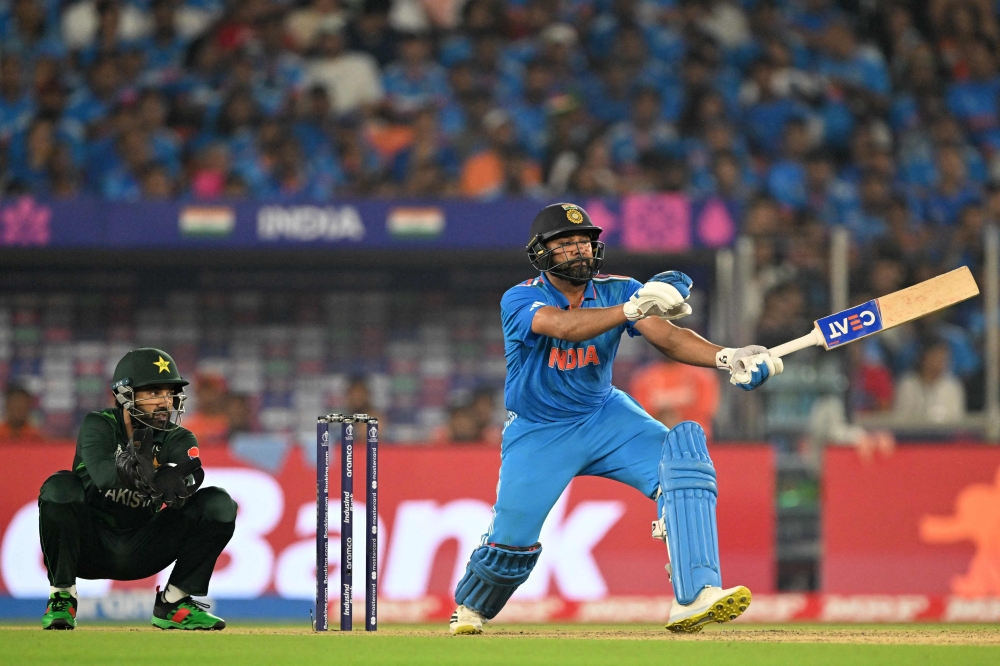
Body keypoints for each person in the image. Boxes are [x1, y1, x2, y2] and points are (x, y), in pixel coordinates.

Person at [449, 203, 783, 635]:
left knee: (682, 461)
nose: (578, 250)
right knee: (511, 541)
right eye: (565, 244)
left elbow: (669, 336)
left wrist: (728, 356)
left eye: (583, 242)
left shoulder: (620, 288)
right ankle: (471, 607)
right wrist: (631, 309)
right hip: (540, 429)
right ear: (541, 254)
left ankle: (697, 594)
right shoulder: (520, 297)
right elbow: (565, 328)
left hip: (604, 414)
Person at [38, 348, 236, 631]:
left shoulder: (179, 436)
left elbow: (191, 473)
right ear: (124, 394)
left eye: (169, 393)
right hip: (88, 547)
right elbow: (105, 476)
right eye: (154, 393)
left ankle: (174, 603)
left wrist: (179, 481)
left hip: (144, 548)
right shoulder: (99, 425)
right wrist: (147, 474)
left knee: (220, 504)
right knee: (59, 486)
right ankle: (62, 596)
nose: (165, 402)